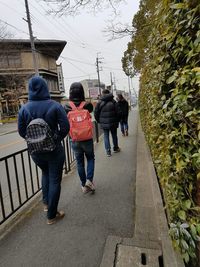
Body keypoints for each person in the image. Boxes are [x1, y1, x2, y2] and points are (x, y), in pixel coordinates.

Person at [18, 76, 70, 225]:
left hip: (36, 152)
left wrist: (35, 140)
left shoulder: (24, 108)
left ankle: (47, 204)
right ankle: (52, 216)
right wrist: (54, 139)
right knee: (54, 180)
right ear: (45, 88)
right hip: (54, 151)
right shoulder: (55, 105)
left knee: (45, 173)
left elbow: (22, 132)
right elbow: (65, 127)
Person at [64, 82, 95, 194]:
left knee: (80, 162)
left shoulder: (67, 106)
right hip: (87, 138)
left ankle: (83, 185)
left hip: (75, 139)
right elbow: (91, 110)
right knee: (90, 158)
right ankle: (89, 180)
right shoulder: (87, 105)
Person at [94, 89, 121, 157]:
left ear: (103, 94)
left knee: (106, 136)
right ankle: (115, 148)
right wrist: (117, 120)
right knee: (114, 135)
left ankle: (108, 151)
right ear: (109, 93)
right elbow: (118, 112)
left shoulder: (99, 102)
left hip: (104, 122)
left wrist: (99, 121)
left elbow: (96, 113)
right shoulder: (113, 101)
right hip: (113, 122)